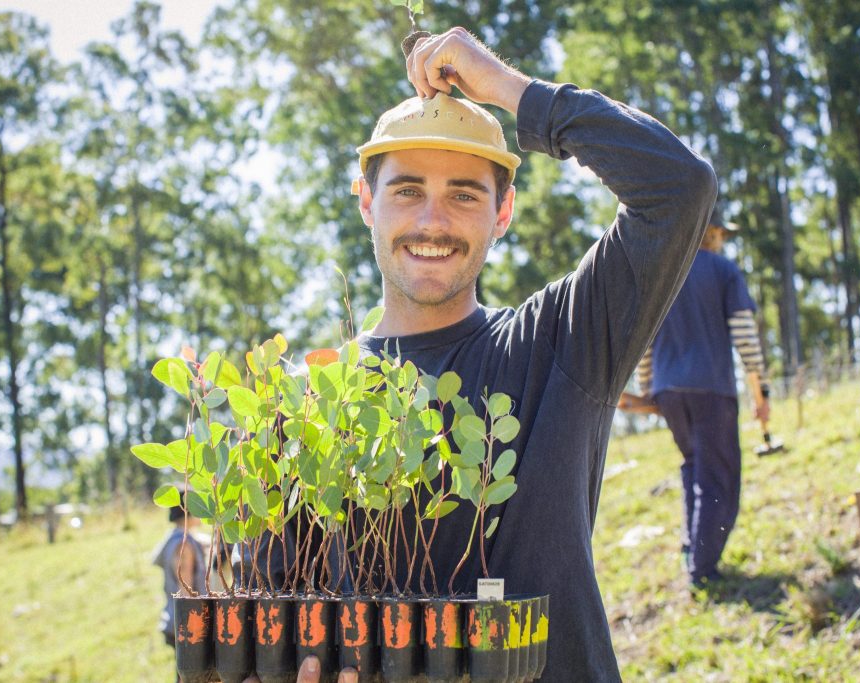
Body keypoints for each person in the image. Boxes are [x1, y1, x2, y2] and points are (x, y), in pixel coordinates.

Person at [240, 26, 716, 682]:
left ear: (504, 210)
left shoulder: (562, 344)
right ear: (366, 201)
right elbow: (263, 612)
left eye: (464, 193)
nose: (433, 221)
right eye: (408, 189)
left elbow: (678, 187)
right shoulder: (302, 400)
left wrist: (506, 88)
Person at [635, 206, 770, 587]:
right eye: (721, 233)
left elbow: (646, 344)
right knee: (719, 479)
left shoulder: (663, 276)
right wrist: (761, 393)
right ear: (710, 232)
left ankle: (691, 550)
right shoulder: (723, 271)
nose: (723, 239)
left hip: (668, 390)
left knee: (695, 467)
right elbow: (744, 335)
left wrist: (650, 391)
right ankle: (703, 570)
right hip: (711, 388)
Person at [152, 495, 207, 651]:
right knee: (188, 674)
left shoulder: (172, 538)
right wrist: (192, 630)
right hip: (185, 625)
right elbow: (186, 589)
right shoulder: (184, 546)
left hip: (174, 619)